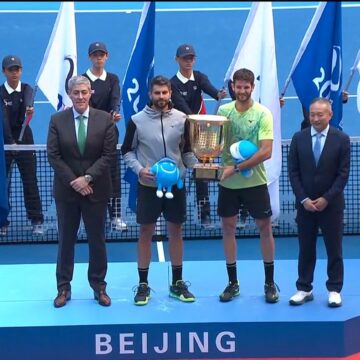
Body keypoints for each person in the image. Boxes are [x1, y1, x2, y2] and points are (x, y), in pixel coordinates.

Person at [121, 75, 198, 305]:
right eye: (157, 93)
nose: (161, 97)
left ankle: (177, 283)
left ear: (170, 94)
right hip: (148, 187)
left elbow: (187, 152)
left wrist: (201, 165)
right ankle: (143, 284)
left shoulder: (182, 119)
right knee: (146, 232)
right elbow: (127, 151)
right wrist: (139, 170)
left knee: (176, 232)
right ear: (150, 95)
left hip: (176, 185)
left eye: (165, 93)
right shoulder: (137, 120)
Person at [47, 75, 116, 308]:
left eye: (84, 92)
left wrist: (87, 178)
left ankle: (99, 286)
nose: (80, 96)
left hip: (96, 190)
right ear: (70, 94)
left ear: (90, 93)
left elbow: (108, 155)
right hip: (67, 193)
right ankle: (63, 288)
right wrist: (75, 181)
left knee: (97, 241)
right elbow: (54, 156)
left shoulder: (105, 120)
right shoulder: (57, 120)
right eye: (75, 93)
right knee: (66, 241)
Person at [217, 68, 279, 304]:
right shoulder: (223, 111)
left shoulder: (263, 114)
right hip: (228, 184)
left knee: (265, 228)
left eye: (246, 87)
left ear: (252, 87)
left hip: (255, 182)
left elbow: (266, 151)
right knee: (228, 228)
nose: (242, 91)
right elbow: (215, 143)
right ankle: (233, 283)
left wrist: (236, 168)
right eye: (238, 87)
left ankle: (269, 283)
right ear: (233, 87)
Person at [288, 97, 350, 307]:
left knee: (334, 249)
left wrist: (326, 198)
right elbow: (293, 173)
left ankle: (334, 288)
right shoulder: (298, 138)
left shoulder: (342, 139)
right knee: (306, 248)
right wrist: (304, 199)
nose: (315, 118)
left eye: (320, 114)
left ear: (330, 115)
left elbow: (342, 175)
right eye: (312, 114)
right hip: (305, 206)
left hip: (331, 205)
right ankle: (304, 288)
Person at [170, 44, 227, 229]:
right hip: (180, 134)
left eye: (191, 58)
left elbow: (210, 89)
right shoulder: (172, 84)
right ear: (177, 59)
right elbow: (183, 108)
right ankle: (178, 211)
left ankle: (205, 214)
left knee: (202, 175)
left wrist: (219, 94)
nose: (188, 61)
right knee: (179, 174)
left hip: (200, 134)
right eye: (185, 58)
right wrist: (195, 122)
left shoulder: (200, 77)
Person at [82, 41, 127, 231]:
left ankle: (115, 216)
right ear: (90, 57)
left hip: (109, 133)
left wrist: (114, 113)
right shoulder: (83, 79)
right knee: (89, 174)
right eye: (95, 54)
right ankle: (91, 216)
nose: (99, 57)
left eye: (102, 54)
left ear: (106, 56)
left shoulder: (113, 79)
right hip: (88, 133)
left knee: (113, 175)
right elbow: (83, 104)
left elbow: (115, 99)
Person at [0, 55, 44, 237]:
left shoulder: (27, 89)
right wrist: (10, 142)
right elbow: (3, 121)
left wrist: (29, 109)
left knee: (30, 181)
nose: (14, 72)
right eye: (11, 69)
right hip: (4, 142)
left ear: (21, 71)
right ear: (4, 72)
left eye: (17, 69)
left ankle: (37, 220)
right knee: (3, 184)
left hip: (25, 142)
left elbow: (27, 100)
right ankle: (2, 222)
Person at [279, 91, 349, 130]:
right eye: (312, 115)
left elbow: (333, 96)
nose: (316, 119)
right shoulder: (300, 139)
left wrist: (339, 98)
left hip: (331, 130)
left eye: (320, 114)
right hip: (308, 130)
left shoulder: (340, 138)